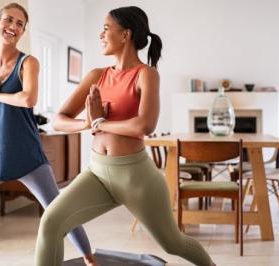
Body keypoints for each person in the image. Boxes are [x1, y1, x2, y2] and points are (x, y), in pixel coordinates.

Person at [34, 6, 216, 266]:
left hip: (137, 178)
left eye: (106, 28)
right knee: (51, 222)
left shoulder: (146, 74)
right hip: (97, 173)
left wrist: (100, 122)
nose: (101, 34)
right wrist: (87, 122)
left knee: (173, 243)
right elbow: (59, 119)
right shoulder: (97, 76)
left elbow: (145, 125)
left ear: (125, 35)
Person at [0, 3, 96, 266]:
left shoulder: (28, 62)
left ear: (23, 31)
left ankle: (91, 260)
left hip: (27, 158)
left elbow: (28, 98)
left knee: (59, 213)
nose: (13, 27)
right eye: (8, 21)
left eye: (19, 24)